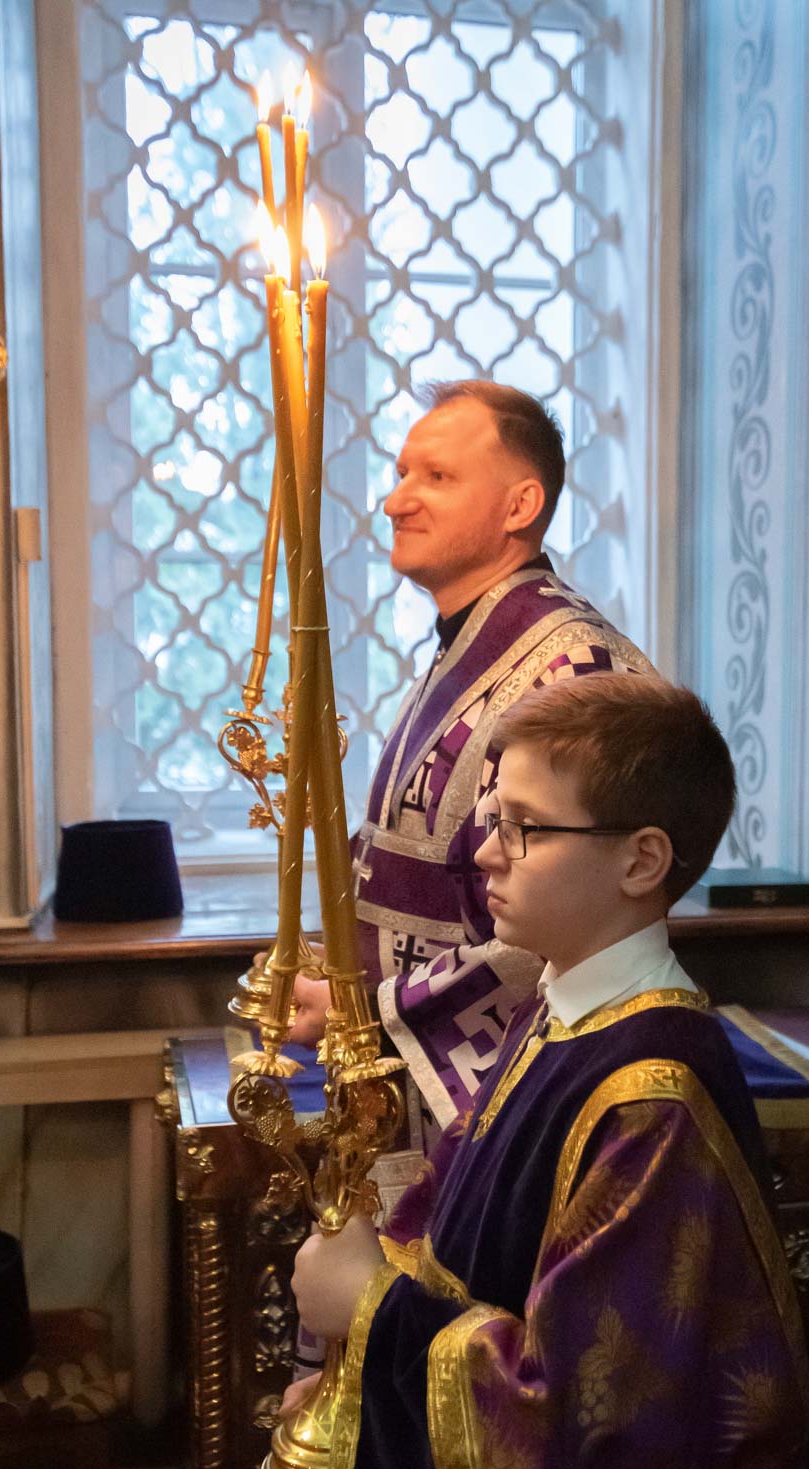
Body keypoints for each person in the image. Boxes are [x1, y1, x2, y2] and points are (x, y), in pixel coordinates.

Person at [286, 672, 809, 1469]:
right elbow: (448, 1221)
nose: (486, 853)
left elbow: (580, 1421)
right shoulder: (559, 1009)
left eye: (524, 827)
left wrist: (368, 1309)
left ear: (641, 861)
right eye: (494, 819)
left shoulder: (653, 1095)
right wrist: (356, 1381)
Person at [290, 380, 652, 1134]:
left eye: (437, 476)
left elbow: (565, 920)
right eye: (401, 474)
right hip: (408, 1078)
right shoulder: (471, 646)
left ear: (520, 506)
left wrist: (368, 1010)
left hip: (514, 1097)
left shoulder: (572, 668)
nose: (396, 501)